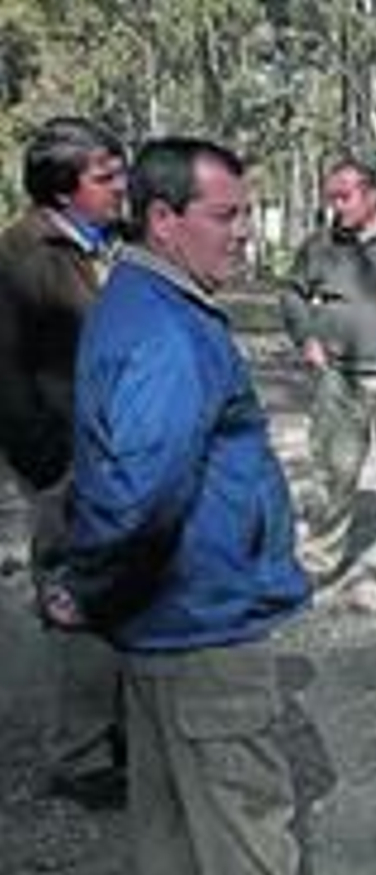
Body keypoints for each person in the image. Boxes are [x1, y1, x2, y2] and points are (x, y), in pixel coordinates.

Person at [40, 137, 376, 875]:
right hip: (201, 617)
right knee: (254, 818)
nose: (245, 234)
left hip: (164, 621)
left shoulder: (142, 301)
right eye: (227, 216)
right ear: (163, 219)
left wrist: (91, 587)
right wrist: (85, 585)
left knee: (170, 820)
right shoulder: (166, 329)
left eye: (246, 214)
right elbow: (141, 488)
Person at [0, 116, 128, 810]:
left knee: (122, 589)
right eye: (105, 177)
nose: (120, 187)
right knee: (76, 600)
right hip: (66, 463)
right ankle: (79, 756)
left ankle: (117, 730)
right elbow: (7, 381)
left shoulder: (102, 247)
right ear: (61, 187)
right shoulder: (21, 257)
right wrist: (50, 469)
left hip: (112, 459)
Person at [281, 156, 376, 584]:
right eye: (332, 198)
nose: (337, 207)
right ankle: (319, 561)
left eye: (344, 197)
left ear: (372, 195)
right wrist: (305, 335)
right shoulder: (319, 246)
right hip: (339, 381)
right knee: (332, 474)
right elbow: (292, 293)